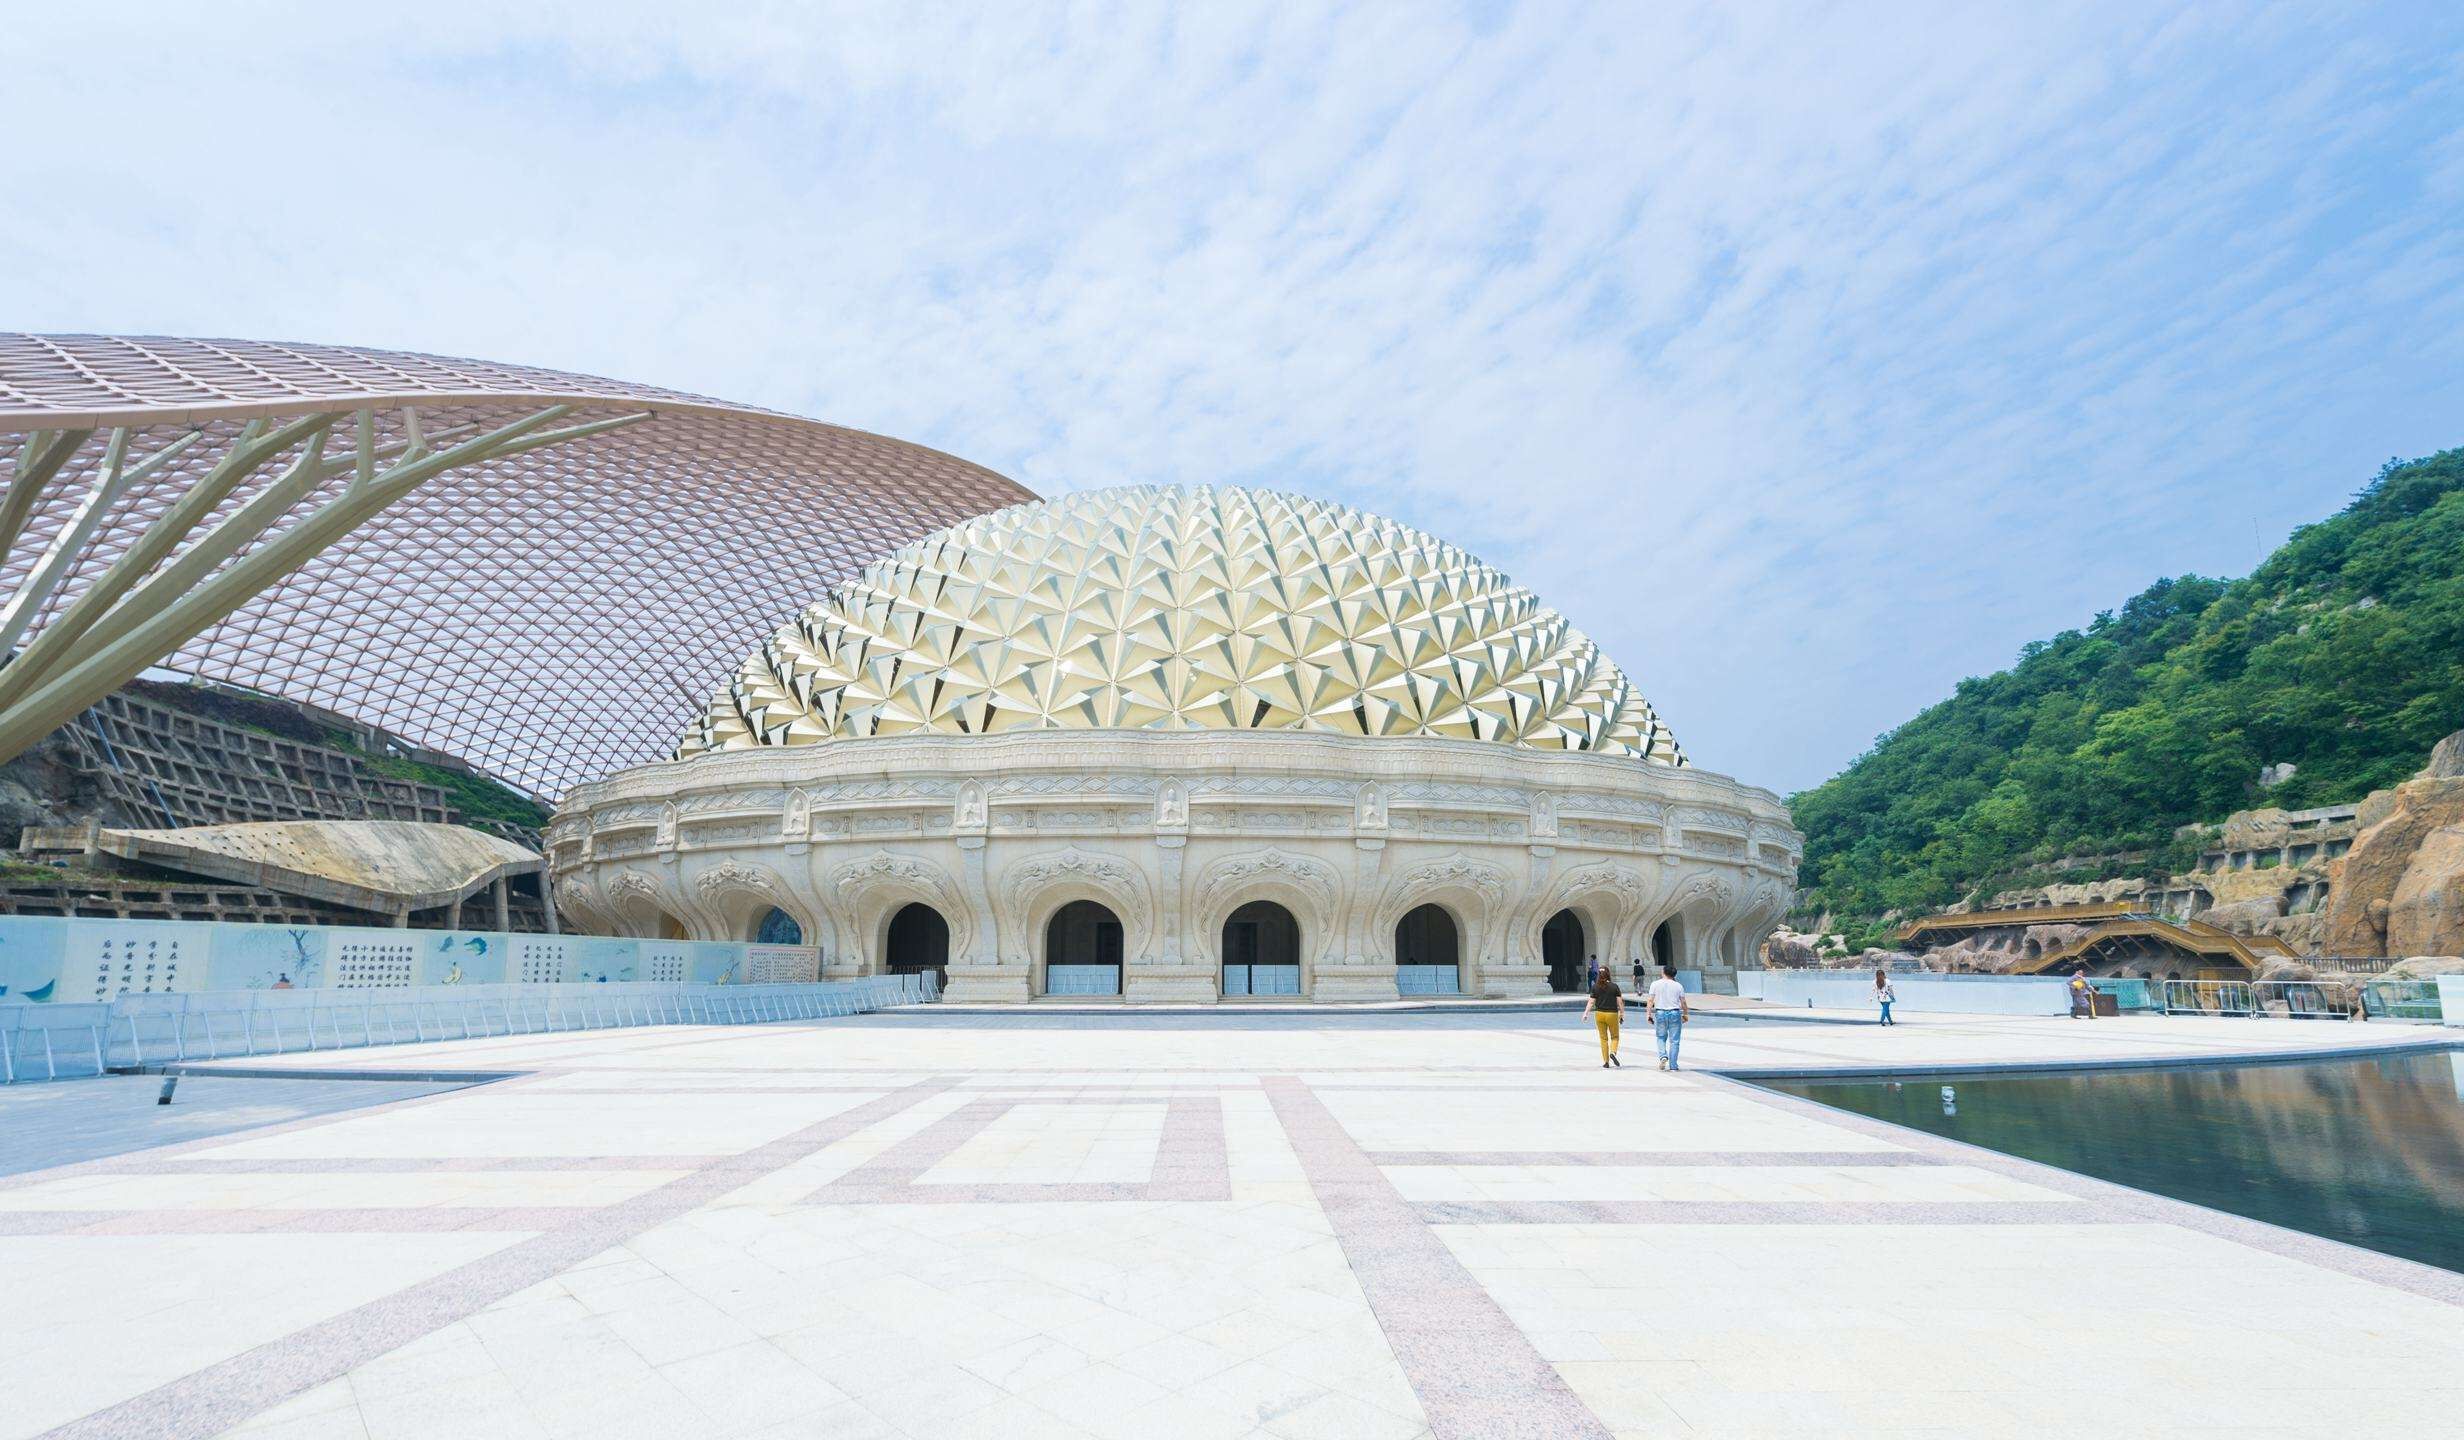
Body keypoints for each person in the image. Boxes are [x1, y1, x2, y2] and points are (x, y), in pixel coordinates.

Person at [1646, 964, 1689, 1070]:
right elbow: (1683, 1002)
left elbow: (1650, 1000)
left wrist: (1648, 1014)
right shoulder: (1678, 985)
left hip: (1660, 1012)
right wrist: (1685, 1014)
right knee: (1674, 1041)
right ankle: (1673, 1065)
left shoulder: (1655, 984)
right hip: (1675, 1013)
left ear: (1663, 972)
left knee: (1661, 1037)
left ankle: (1663, 1056)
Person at [1582, 969, 1624, 1068]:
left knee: (1603, 1038)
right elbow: (1620, 1002)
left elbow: (1591, 1002)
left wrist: (1585, 1013)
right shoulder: (1614, 986)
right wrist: (1622, 1013)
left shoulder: (1595, 987)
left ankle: (1606, 1062)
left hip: (1599, 1014)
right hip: (1612, 1014)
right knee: (1615, 1037)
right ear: (1608, 974)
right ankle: (1613, 1052)